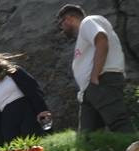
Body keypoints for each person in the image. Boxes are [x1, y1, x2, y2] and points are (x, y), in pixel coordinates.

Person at [57, 4, 134, 134]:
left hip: (102, 81)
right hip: (91, 89)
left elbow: (101, 39)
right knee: (88, 137)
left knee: (118, 123)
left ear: (69, 18)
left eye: (61, 24)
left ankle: (133, 147)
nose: (62, 29)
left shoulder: (88, 21)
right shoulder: (83, 35)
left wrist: (94, 75)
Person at [0, 53, 52, 146]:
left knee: (37, 144)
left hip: (27, 112)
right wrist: (2, 143)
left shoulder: (14, 73)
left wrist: (42, 109)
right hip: (8, 122)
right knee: (17, 150)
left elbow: (33, 89)